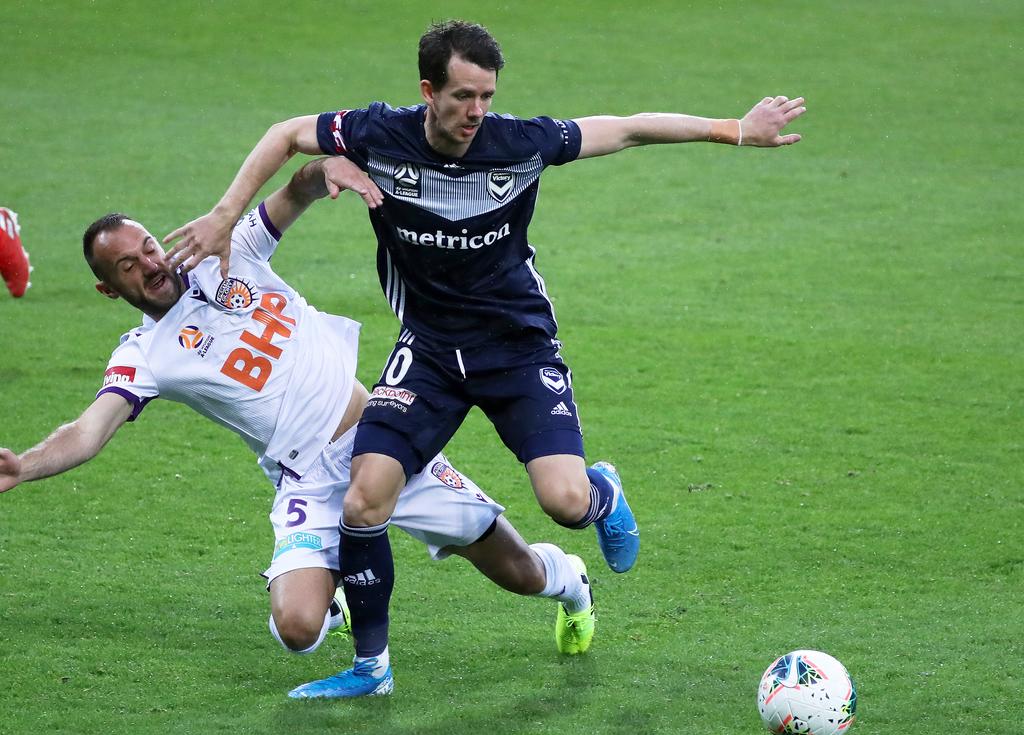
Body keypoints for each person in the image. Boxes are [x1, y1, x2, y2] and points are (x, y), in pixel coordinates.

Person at [164, 19, 806, 691]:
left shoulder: (516, 142)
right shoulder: (379, 133)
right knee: (362, 502)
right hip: (431, 354)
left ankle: (602, 493)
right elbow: (286, 132)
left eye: (487, 96)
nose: (476, 112)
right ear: (428, 90)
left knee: (562, 501)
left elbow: (627, 127)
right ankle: (371, 668)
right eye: (463, 96)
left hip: (516, 349)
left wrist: (734, 129)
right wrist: (224, 214)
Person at [0, 156, 597, 700]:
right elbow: (88, 430)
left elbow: (296, 191)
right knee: (297, 631)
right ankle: (333, 583)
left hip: (381, 447)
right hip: (306, 482)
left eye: (149, 246)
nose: (150, 264)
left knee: (520, 574)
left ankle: (571, 581)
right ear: (109, 289)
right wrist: (24, 466)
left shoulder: (230, 252)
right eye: (127, 265)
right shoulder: (143, 354)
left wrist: (322, 173)